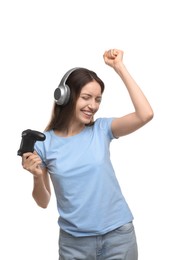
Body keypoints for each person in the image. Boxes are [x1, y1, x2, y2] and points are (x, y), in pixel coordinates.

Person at [21, 48, 153, 260]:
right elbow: (43, 201)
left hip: (118, 237)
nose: (93, 106)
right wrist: (37, 177)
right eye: (86, 97)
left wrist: (119, 67)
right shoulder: (45, 144)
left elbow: (145, 114)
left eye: (98, 99)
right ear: (65, 96)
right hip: (74, 244)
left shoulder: (102, 130)